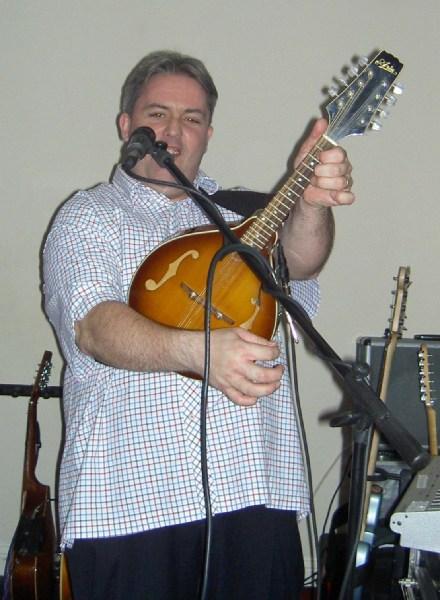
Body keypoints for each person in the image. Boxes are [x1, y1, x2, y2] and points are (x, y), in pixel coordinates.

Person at [43, 50, 354, 600]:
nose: (172, 131)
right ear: (126, 125)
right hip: (131, 504)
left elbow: (302, 263)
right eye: (157, 114)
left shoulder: (242, 217)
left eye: (191, 118)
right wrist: (200, 352)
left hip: (255, 492)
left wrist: (310, 204)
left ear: (207, 133)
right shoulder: (89, 215)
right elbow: (93, 326)